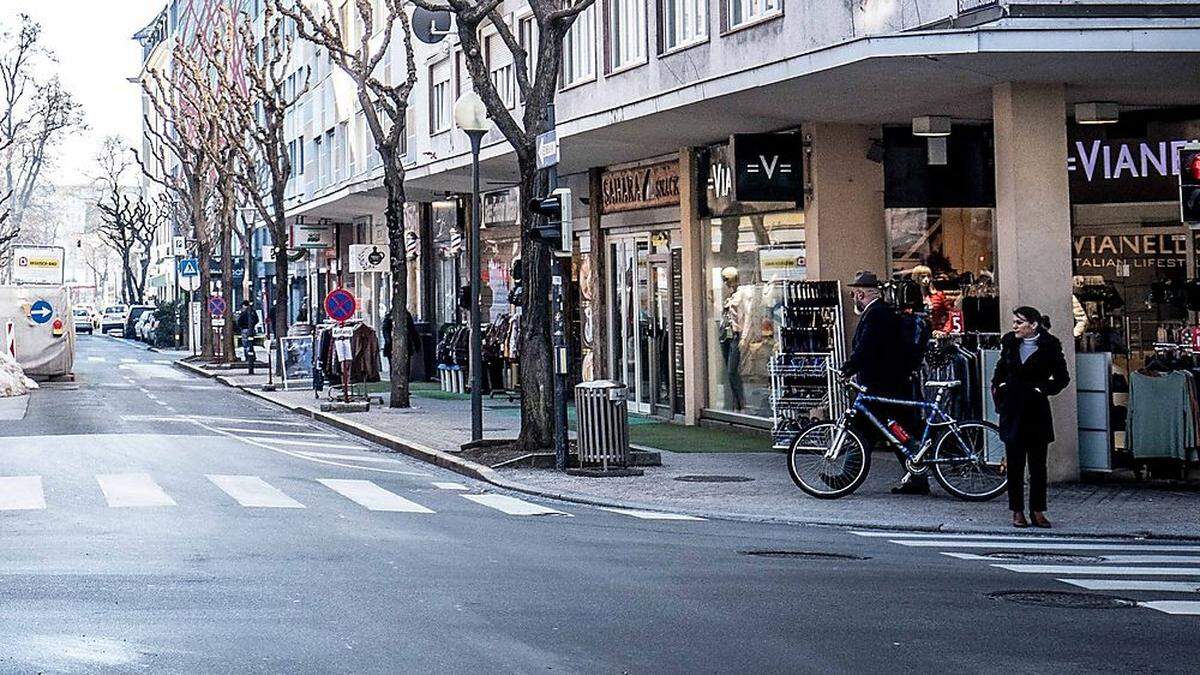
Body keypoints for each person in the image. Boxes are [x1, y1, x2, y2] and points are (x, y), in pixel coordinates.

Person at [840, 270, 929, 495]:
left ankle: (846, 478)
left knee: (869, 430)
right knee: (892, 431)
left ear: (861, 294)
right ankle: (917, 478)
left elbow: (868, 346)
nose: (854, 299)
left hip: (882, 385)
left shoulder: (877, 314)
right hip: (889, 384)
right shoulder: (880, 312)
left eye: (855, 294)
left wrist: (850, 367)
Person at [992, 306, 1070, 529]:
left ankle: (1038, 510)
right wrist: (1003, 385)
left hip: (1036, 410)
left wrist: (1043, 389)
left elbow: (1062, 377)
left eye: (1019, 322)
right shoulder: (1009, 343)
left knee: (1038, 466)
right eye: (1014, 322)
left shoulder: (1050, 346)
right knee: (1015, 465)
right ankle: (1017, 511)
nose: (1014, 326)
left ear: (1033, 324)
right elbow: (999, 371)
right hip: (1013, 407)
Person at [235, 300, 259, 375]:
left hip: (245, 329)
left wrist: (241, 327)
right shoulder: (253, 312)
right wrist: (252, 326)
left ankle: (248, 357)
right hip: (251, 329)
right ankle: (252, 357)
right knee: (251, 344)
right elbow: (257, 320)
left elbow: (239, 322)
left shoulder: (243, 313)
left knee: (245, 344)